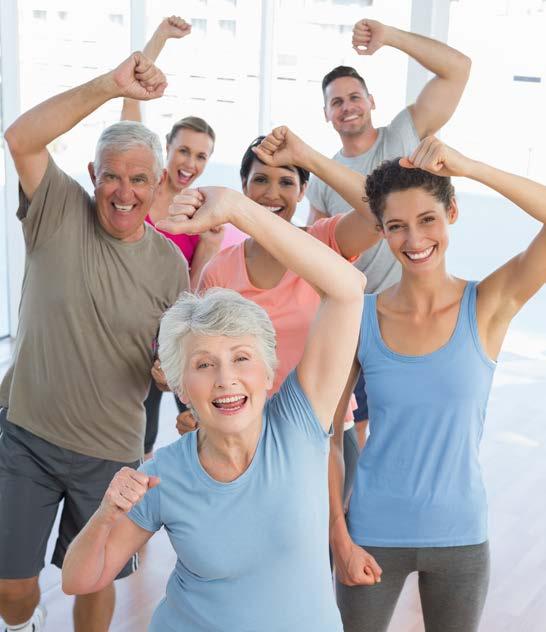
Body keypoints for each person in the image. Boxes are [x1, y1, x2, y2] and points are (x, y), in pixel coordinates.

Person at [61, 182, 367, 632]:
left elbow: (348, 289)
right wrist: (106, 514)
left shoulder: (300, 422)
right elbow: (79, 579)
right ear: (182, 386)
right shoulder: (163, 474)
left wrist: (237, 210)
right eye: (204, 364)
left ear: (268, 371)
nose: (226, 378)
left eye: (241, 358)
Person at [0, 53, 188, 632]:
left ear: (157, 183)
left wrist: (168, 375)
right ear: (92, 174)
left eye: (139, 179)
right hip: (26, 433)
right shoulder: (57, 209)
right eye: (112, 176)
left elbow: (171, 360)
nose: (124, 192)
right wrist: (110, 85)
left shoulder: (170, 266)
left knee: (92, 580)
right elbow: (21, 137)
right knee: (11, 589)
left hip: (109, 454)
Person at [330, 136, 546, 632]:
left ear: (452, 212)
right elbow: (331, 437)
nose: (414, 239)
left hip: (460, 536)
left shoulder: (487, 305)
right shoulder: (361, 317)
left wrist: (470, 167)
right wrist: (339, 538)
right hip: (370, 533)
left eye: (427, 219)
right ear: (382, 232)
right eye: (396, 226)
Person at [175, 129, 380, 503]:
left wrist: (308, 156)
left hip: (327, 435)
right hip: (248, 440)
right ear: (243, 187)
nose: (272, 193)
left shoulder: (324, 244)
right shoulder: (220, 272)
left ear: (303, 191)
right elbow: (203, 359)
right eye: (260, 180)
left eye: (286, 181)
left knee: (326, 540)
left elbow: (381, 211)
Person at [307, 18, 471, 452]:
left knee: (409, 422)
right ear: (326, 114)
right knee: (352, 425)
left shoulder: (401, 135)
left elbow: (458, 69)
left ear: (371, 101)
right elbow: (318, 250)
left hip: (412, 310)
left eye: (354, 97)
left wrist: (391, 37)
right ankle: (357, 491)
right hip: (359, 319)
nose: (347, 106)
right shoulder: (324, 177)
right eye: (336, 101)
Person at [119, 16, 223, 459]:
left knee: (196, 424)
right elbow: (130, 103)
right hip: (122, 325)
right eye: (184, 150)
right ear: (167, 147)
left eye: (201, 156)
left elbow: (190, 291)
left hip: (169, 332)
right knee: (135, 433)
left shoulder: (199, 211)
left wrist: (211, 245)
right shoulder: (140, 183)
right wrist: (160, 38)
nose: (190, 163)